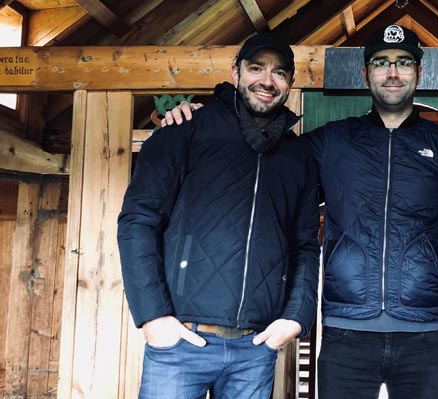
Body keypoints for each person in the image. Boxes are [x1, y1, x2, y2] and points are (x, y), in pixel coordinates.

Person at [164, 24, 438, 399]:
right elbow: (264, 146)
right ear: (366, 74)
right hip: (346, 329)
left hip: (424, 333)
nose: (392, 73)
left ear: (418, 73)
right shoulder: (333, 141)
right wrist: (210, 115)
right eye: (381, 62)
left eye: (403, 63)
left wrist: (432, 285)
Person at [117, 32, 320, 399]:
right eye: (256, 68)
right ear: (236, 72)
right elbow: (138, 220)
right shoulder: (186, 130)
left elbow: (304, 245)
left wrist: (296, 317)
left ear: (290, 82)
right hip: (180, 342)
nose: (267, 81)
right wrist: (153, 318)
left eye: (279, 73)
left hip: (254, 349)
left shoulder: (299, 157)